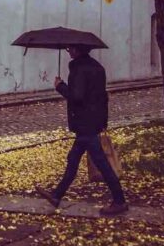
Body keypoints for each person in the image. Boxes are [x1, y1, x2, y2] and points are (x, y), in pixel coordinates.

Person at [35, 44, 128, 215]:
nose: (68, 51)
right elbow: (102, 97)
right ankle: (57, 195)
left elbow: (77, 96)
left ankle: (120, 200)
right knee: (73, 158)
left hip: (85, 123)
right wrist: (102, 121)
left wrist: (60, 86)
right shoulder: (98, 68)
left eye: (70, 49)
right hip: (93, 121)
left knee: (101, 163)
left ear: (77, 50)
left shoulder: (79, 69)